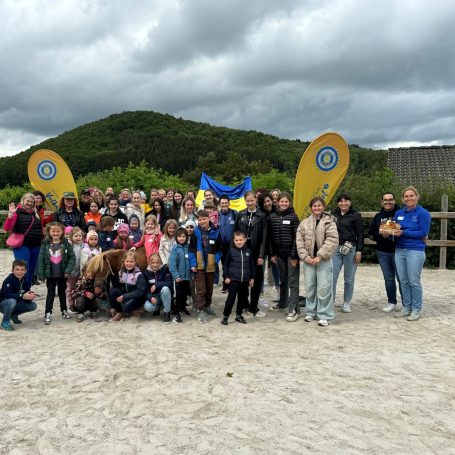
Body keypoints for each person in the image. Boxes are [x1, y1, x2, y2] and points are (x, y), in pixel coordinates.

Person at [296, 197, 339, 327]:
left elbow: (332, 240)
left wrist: (320, 256)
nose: (317, 208)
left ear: (323, 207)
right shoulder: (304, 223)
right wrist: (306, 257)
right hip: (308, 260)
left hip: (323, 260)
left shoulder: (329, 222)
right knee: (310, 287)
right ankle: (311, 312)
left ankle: (324, 315)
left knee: (324, 288)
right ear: (311, 208)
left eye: (319, 205)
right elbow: (299, 241)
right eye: (314, 206)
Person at [393, 186, 431, 321]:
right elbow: (394, 229)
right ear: (403, 199)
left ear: (417, 197)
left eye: (411, 195)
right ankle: (406, 307)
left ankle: (416, 309)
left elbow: (423, 233)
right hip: (399, 250)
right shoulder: (398, 213)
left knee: (414, 281)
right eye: (406, 196)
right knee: (403, 281)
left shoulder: (423, 213)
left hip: (415, 250)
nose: (409, 198)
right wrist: (388, 232)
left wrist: (404, 232)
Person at [268, 192, 301, 321]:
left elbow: (297, 238)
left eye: (286, 201)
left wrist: (294, 255)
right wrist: (272, 253)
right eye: (282, 201)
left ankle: (294, 309)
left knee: (293, 281)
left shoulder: (294, 217)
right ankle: (283, 303)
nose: (284, 203)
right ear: (278, 202)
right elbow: (270, 238)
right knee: (283, 280)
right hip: (279, 255)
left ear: (290, 202)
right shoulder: (272, 217)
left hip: (291, 255)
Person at [234, 191, 267, 317]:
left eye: (252, 200)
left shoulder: (262, 216)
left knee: (257, 280)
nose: (250, 203)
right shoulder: (240, 214)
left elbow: (264, 237)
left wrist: (261, 255)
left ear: (256, 200)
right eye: (247, 201)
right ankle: (244, 304)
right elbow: (235, 233)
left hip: (256, 252)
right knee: (243, 280)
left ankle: (253, 307)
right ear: (245, 201)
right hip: (242, 252)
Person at [367, 193, 402, 313]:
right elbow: (370, 233)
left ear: (394, 201)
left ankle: (406, 303)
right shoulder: (378, 216)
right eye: (385, 200)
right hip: (382, 252)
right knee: (389, 279)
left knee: (402, 279)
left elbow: (406, 229)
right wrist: (381, 235)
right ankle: (391, 302)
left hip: (399, 251)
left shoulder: (401, 214)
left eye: (390, 199)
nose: (388, 202)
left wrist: (394, 231)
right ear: (382, 202)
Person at [37, 222, 76, 324]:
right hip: (50, 275)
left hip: (62, 274)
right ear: (49, 232)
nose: (55, 233)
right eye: (53, 231)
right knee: (50, 294)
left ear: (62, 232)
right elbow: (40, 260)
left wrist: (67, 270)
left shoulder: (66, 244)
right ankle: (48, 313)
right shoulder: (45, 244)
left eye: (58, 231)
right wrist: (41, 274)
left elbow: (72, 258)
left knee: (62, 293)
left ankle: (64, 310)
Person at [331, 194, 364, 313]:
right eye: (341, 201)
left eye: (346, 201)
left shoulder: (356, 215)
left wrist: (359, 251)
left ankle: (346, 302)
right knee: (332, 277)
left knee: (349, 278)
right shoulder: (333, 214)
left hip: (351, 248)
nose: (343, 203)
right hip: (335, 248)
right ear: (338, 203)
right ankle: (330, 302)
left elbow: (360, 234)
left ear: (350, 202)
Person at [3, 193, 43, 288]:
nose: (29, 203)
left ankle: (26, 289)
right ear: (23, 201)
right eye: (27, 201)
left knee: (31, 269)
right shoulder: (16, 212)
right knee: (23, 268)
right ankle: (18, 289)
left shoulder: (35, 213)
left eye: (31, 201)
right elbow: (7, 228)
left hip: (35, 244)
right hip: (22, 244)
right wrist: (10, 215)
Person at [189, 210, 222, 324]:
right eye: (199, 219)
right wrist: (193, 264)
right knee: (201, 289)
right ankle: (201, 310)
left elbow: (220, 249)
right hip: (199, 266)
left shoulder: (216, 232)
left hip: (211, 267)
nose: (202, 221)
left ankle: (207, 306)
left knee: (209, 288)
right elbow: (191, 250)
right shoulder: (195, 233)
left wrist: (215, 260)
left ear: (209, 219)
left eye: (204, 219)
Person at [221, 231, 255, 326]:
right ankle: (225, 316)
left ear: (245, 240)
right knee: (231, 299)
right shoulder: (231, 251)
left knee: (242, 299)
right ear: (234, 241)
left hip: (245, 280)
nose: (239, 242)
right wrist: (226, 276)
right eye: (236, 240)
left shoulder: (249, 251)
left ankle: (239, 315)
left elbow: (252, 266)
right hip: (233, 280)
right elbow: (225, 265)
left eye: (240, 240)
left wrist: (252, 278)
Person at [0, 259, 37, 331]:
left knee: (33, 305)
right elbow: (8, 295)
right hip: (3, 305)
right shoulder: (8, 280)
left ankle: (13, 314)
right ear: (12, 270)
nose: (19, 272)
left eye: (22, 270)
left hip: (15, 303)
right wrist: (22, 296)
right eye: (17, 269)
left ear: (25, 271)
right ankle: (5, 322)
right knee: (12, 301)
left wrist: (30, 296)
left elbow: (26, 295)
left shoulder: (25, 281)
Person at [109, 251, 146, 321]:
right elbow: (117, 286)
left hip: (137, 297)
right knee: (113, 291)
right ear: (123, 262)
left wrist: (124, 296)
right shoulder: (121, 272)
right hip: (126, 294)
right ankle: (119, 312)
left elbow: (140, 292)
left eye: (132, 262)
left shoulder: (139, 274)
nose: (129, 264)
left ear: (135, 262)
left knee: (126, 307)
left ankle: (137, 309)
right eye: (127, 261)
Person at [258, 192, 280, 301]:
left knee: (276, 268)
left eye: (268, 201)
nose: (267, 204)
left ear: (272, 200)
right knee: (260, 270)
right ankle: (260, 293)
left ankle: (278, 290)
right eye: (264, 202)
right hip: (262, 245)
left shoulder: (278, 212)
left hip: (274, 245)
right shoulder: (260, 214)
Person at [168, 228, 192, 324]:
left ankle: (183, 308)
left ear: (186, 237)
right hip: (179, 277)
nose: (181, 238)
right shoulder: (175, 249)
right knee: (179, 295)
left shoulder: (188, 247)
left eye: (183, 236)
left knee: (185, 294)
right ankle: (176, 314)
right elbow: (172, 264)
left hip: (187, 276)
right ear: (176, 238)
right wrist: (176, 276)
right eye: (179, 236)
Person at [143, 253, 173, 323]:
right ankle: (158, 307)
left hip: (165, 295)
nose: (155, 265)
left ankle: (167, 312)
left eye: (157, 263)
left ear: (160, 262)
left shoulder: (165, 269)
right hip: (155, 296)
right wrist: (150, 298)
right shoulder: (146, 273)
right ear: (149, 262)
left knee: (165, 288)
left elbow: (170, 283)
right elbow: (145, 290)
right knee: (147, 307)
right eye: (153, 263)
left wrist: (156, 285)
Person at [218, 195, 237, 293]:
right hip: (221, 245)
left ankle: (232, 282)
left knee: (232, 264)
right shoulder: (217, 215)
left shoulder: (234, 213)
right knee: (224, 264)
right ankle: (225, 283)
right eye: (222, 203)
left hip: (232, 244)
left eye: (226, 203)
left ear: (229, 203)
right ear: (220, 204)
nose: (224, 204)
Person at [66, 227, 84, 311]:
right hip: (71, 272)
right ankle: (71, 304)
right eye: (76, 236)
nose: (78, 238)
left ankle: (78, 304)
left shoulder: (83, 246)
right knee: (70, 288)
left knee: (78, 288)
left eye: (80, 236)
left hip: (80, 271)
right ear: (71, 237)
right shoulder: (69, 246)